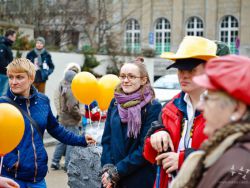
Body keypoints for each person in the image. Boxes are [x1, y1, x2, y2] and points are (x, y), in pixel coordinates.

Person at [0, 58, 95, 188]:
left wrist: (81, 140)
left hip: (38, 178)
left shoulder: (43, 101)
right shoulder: (3, 104)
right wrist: (11, 161)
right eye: (11, 77)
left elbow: (55, 129)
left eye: (19, 77)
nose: (14, 82)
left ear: (31, 78)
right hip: (11, 178)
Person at [143, 36, 219, 188]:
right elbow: (150, 156)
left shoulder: (223, 109)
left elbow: (229, 159)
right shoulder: (170, 107)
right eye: (180, 69)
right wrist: (156, 136)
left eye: (191, 69)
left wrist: (184, 160)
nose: (184, 75)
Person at [171, 55, 250, 188]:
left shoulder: (237, 169)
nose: (201, 106)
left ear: (237, 109)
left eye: (208, 98)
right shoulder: (226, 151)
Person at [100, 58, 162, 188]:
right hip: (112, 179)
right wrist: (107, 169)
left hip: (137, 178)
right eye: (122, 76)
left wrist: (117, 171)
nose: (125, 80)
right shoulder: (115, 102)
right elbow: (107, 139)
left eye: (131, 76)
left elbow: (145, 148)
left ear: (143, 80)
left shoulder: (153, 106)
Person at [51, 68, 82, 171]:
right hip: (71, 119)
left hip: (63, 118)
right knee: (71, 142)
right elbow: (73, 106)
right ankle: (68, 164)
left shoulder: (62, 87)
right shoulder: (71, 90)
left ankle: (55, 161)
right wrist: (79, 116)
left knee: (61, 141)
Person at [0, 29, 16, 95]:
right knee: (2, 92)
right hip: (3, 73)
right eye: (14, 36)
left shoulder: (7, 45)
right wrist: (7, 69)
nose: (15, 38)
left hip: (5, 73)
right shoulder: (2, 45)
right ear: (10, 36)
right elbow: (1, 60)